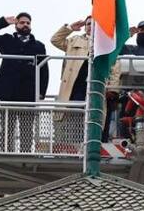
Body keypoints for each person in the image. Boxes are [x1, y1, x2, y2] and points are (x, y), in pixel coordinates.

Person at [0, 12, 49, 153]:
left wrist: (42, 92)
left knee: (27, 129)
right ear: (16, 24)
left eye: (28, 23)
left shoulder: (38, 46)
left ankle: (25, 154)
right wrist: (3, 22)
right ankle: (5, 151)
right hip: (8, 91)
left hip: (28, 93)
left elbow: (44, 70)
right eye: (22, 22)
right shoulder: (7, 40)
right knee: (7, 126)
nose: (25, 25)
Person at [51, 16, 120, 148]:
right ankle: (73, 144)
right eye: (88, 24)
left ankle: (91, 145)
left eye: (93, 24)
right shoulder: (75, 40)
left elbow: (115, 67)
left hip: (96, 87)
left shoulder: (105, 43)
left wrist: (113, 88)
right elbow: (55, 40)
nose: (90, 26)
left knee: (94, 118)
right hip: (74, 87)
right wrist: (70, 29)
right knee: (73, 117)